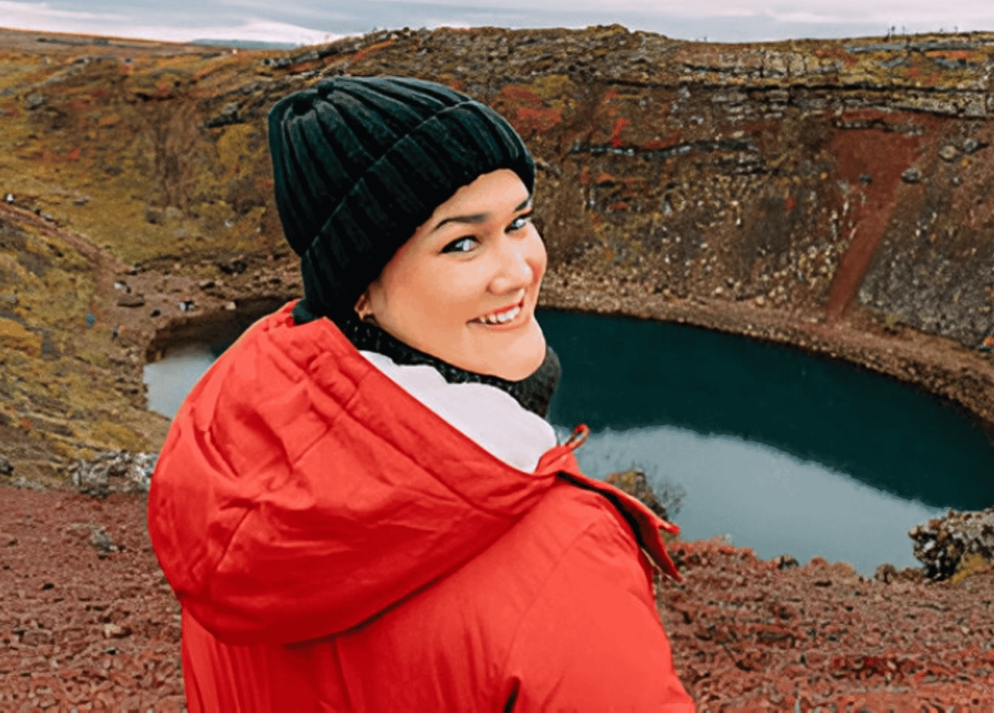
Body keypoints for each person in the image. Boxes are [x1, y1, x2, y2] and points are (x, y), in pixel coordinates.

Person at [148, 77, 694, 712]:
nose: (518, 270)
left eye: (519, 223)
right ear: (361, 291)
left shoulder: (230, 501)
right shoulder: (562, 553)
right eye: (462, 242)